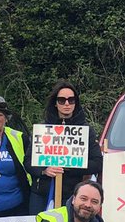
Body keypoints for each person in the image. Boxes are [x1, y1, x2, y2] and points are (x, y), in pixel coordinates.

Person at [29, 80, 103, 215]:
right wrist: (44, 171)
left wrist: (71, 165)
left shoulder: (86, 131)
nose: (67, 104)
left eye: (71, 100)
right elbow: (28, 161)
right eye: (62, 100)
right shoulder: (42, 129)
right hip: (42, 194)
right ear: (55, 103)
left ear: (76, 103)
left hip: (73, 195)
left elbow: (97, 162)